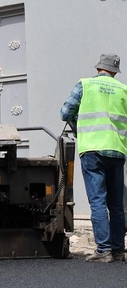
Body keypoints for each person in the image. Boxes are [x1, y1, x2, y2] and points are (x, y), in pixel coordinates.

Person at [61, 53, 127, 262]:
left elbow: (65, 112)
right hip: (117, 150)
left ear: (99, 68)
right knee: (116, 203)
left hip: (92, 151)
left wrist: (75, 119)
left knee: (98, 200)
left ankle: (103, 250)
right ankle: (118, 250)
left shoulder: (84, 85)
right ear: (115, 71)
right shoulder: (124, 89)